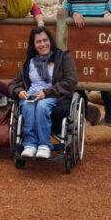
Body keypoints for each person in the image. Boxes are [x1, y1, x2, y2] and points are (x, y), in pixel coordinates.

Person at [8, 27, 77, 159]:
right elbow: (13, 84)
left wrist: (46, 93)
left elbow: (71, 81)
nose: (42, 44)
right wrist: (19, 92)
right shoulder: (30, 62)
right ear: (34, 45)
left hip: (53, 95)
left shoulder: (63, 57)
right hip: (31, 95)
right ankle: (30, 144)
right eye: (38, 41)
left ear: (50, 41)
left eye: (45, 40)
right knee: (27, 105)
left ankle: (44, 145)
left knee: (41, 106)